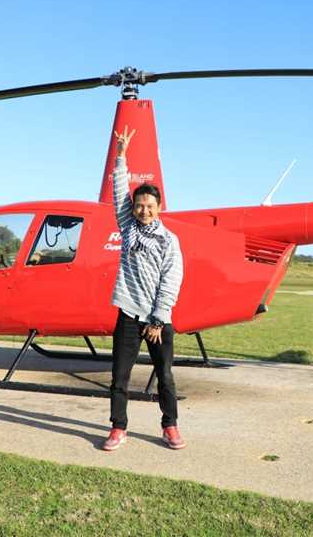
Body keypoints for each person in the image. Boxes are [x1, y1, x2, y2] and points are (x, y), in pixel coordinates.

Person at [103, 125, 186, 451]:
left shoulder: (169, 240)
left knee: (165, 375)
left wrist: (157, 319)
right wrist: (121, 157)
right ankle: (118, 428)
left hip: (157, 319)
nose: (143, 210)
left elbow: (171, 279)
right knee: (119, 377)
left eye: (150, 205)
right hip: (127, 313)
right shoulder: (128, 227)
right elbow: (119, 192)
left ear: (159, 207)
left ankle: (170, 426)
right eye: (139, 205)